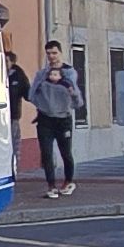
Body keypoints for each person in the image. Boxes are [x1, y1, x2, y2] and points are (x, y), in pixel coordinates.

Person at [31, 47, 84, 198]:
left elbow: (77, 99)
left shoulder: (69, 73)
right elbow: (32, 94)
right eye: (48, 53)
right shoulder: (42, 75)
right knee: (46, 153)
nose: (51, 56)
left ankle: (68, 181)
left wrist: (69, 100)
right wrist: (42, 106)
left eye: (54, 53)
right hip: (45, 118)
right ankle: (51, 186)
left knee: (65, 152)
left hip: (63, 119)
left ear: (60, 53)